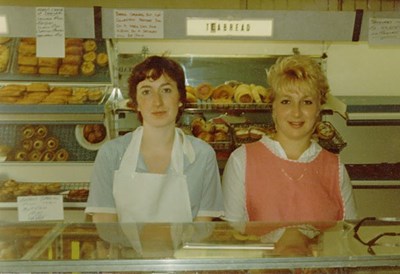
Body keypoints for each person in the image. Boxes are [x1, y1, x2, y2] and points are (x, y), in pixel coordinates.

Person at [222, 55, 357, 255]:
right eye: (286, 101)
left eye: (307, 102)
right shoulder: (242, 161)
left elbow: (347, 241)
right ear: (273, 108)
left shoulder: (335, 167)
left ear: (319, 110)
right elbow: (233, 242)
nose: (296, 112)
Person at [85, 55, 224, 223]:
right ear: (135, 103)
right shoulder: (111, 154)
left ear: (180, 99)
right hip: (125, 249)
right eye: (146, 92)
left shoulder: (202, 155)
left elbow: (202, 230)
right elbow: (106, 229)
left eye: (166, 90)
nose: (157, 102)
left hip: (184, 250)